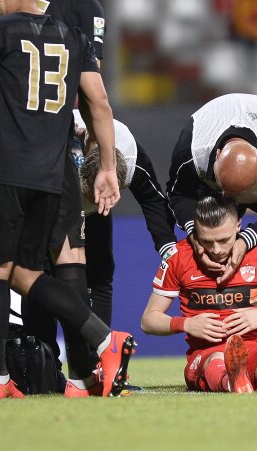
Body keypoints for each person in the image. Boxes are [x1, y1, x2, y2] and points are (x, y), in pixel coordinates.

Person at [0, 0, 132, 401]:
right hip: (54, 171)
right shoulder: (72, 33)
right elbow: (99, 103)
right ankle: (78, 367)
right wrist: (106, 165)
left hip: (4, 167)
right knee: (28, 271)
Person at [166, 93, 257, 383]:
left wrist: (248, 237)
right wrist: (194, 233)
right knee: (209, 246)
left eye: (238, 198)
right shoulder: (193, 146)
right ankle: (217, 352)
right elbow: (178, 193)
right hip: (211, 182)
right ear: (217, 157)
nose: (234, 202)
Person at [24, 0, 110, 390]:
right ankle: (84, 370)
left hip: (5, 143)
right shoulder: (84, 4)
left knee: (19, 262)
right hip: (58, 145)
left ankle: (35, 369)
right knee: (68, 254)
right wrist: (105, 158)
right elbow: (92, 91)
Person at [141, 196, 257, 393]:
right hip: (206, 353)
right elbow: (148, 320)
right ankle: (232, 381)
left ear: (238, 225)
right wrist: (186, 324)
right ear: (196, 231)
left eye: (223, 240)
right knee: (216, 361)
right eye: (207, 241)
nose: (216, 249)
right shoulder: (178, 256)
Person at [71, 108, 178, 327]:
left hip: (92, 207)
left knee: (100, 274)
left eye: (105, 196)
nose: (97, 200)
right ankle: (43, 353)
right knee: (44, 271)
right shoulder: (63, 156)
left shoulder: (132, 159)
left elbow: (153, 201)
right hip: (56, 199)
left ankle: (99, 353)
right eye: (93, 196)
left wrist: (168, 249)